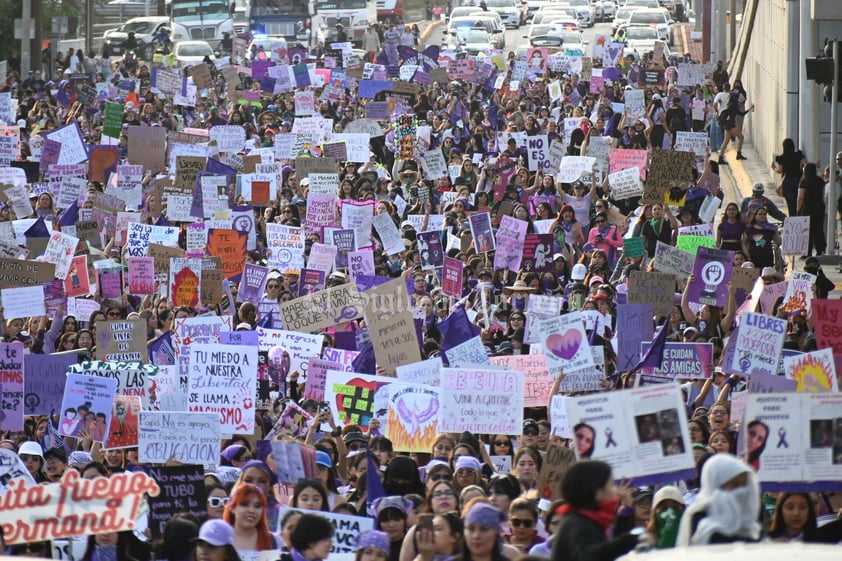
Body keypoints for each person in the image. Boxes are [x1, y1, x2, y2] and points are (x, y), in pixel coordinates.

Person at [552, 460, 644, 561]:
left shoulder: (584, 518)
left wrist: (627, 507)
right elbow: (590, 555)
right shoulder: (578, 522)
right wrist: (632, 540)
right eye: (611, 484)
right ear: (597, 492)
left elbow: (612, 545)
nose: (616, 490)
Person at [676, 454, 761, 545]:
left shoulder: (752, 511)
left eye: (744, 484)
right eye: (734, 485)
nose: (742, 491)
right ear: (716, 483)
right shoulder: (699, 515)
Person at [796, 162, 827, 257]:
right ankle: (820, 250)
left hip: (808, 208)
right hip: (819, 207)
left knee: (806, 231)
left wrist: (798, 210)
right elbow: (822, 194)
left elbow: (801, 197)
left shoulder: (804, 181)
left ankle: (806, 252)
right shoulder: (820, 180)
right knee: (818, 229)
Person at [773, 138, 807, 217]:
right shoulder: (798, 155)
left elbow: (780, 171)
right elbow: (806, 164)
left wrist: (774, 168)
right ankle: (799, 217)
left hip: (787, 182)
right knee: (799, 201)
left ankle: (793, 220)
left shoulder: (783, 157)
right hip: (798, 181)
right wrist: (804, 176)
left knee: (790, 204)